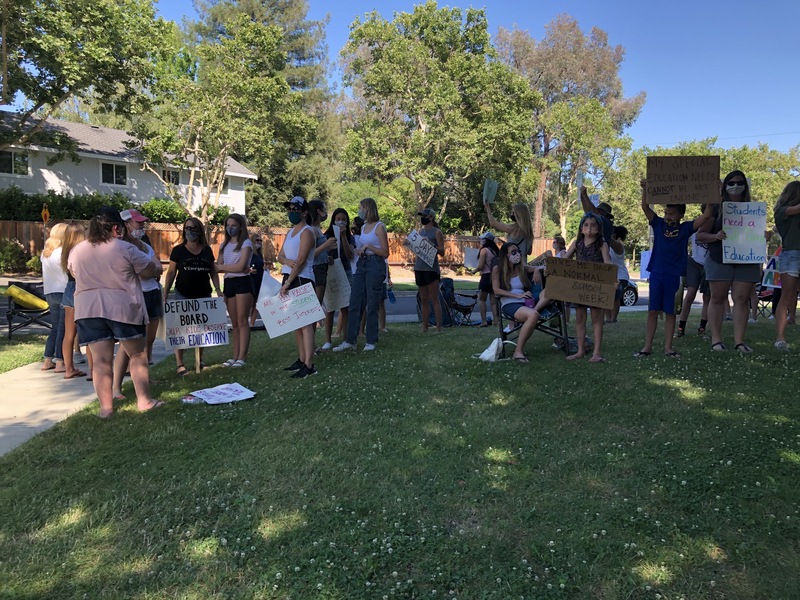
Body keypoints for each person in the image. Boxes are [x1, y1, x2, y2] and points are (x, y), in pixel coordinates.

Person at [68, 207, 164, 417]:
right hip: (123, 307)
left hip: (88, 309)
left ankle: (106, 408)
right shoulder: (124, 248)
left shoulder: (78, 250)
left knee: (101, 361)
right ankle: (144, 400)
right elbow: (149, 270)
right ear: (115, 227)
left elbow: (73, 273)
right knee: (137, 355)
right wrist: (157, 269)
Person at [635, 183, 715, 358]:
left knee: (670, 312)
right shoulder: (658, 224)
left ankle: (668, 347)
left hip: (675, 275)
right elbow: (645, 207)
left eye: (671, 214)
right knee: (653, 311)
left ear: (680, 215)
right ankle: (647, 346)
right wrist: (645, 189)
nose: (667, 216)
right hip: (657, 272)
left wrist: (710, 194)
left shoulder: (686, 228)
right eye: (665, 213)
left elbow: (707, 215)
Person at [696, 170, 764, 352]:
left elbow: (756, 235)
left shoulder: (754, 210)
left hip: (746, 260)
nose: (735, 186)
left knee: (741, 300)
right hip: (719, 259)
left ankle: (739, 342)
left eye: (739, 182)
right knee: (717, 298)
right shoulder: (716, 208)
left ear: (745, 185)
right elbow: (701, 235)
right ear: (725, 186)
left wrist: (764, 236)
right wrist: (716, 236)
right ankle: (716, 340)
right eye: (731, 183)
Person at [112, 210, 164, 399]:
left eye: (143, 223)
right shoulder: (121, 246)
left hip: (152, 294)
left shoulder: (143, 244)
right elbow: (144, 271)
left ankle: (144, 378)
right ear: (126, 224)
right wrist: (151, 268)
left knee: (147, 342)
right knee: (128, 345)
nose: (142, 227)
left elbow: (158, 267)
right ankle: (116, 388)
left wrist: (151, 268)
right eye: (138, 223)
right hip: (133, 297)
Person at [162, 217, 222, 375]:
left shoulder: (207, 250)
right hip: (183, 294)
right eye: (187, 228)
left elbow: (213, 272)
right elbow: (171, 272)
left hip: (203, 294)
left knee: (201, 328)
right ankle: (180, 364)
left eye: (193, 228)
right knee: (181, 329)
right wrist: (166, 292)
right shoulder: (178, 250)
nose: (189, 231)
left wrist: (218, 289)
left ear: (199, 230)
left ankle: (199, 361)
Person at [333, 197, 389, 352]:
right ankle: (350, 340)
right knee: (355, 301)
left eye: (361, 208)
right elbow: (360, 247)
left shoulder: (379, 227)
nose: (359, 211)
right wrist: (360, 250)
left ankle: (371, 340)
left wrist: (368, 246)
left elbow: (385, 253)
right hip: (362, 264)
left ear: (368, 209)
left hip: (375, 264)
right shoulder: (363, 227)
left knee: (372, 303)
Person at [561, 213, 611, 362]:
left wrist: (611, 275)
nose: (589, 228)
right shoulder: (577, 243)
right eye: (586, 225)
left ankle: (596, 352)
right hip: (580, 287)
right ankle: (580, 350)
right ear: (581, 228)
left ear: (599, 229)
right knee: (580, 318)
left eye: (593, 225)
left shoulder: (603, 244)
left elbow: (607, 261)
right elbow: (565, 260)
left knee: (596, 318)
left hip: (596, 286)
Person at [278, 196, 317, 377]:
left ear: (304, 212)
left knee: (306, 323)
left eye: (296, 209)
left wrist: (287, 283)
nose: (292, 212)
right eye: (290, 209)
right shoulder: (290, 232)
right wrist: (287, 261)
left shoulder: (307, 232)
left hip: (302, 279)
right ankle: (301, 359)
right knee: (296, 323)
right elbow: (281, 256)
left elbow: (301, 261)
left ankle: (309, 364)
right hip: (289, 276)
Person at [492, 242, 543, 363]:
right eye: (513, 252)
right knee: (533, 315)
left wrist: (536, 270)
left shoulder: (521, 268)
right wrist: (517, 295)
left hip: (525, 301)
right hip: (510, 303)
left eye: (518, 251)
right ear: (505, 255)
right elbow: (496, 290)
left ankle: (534, 313)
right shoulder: (497, 269)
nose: (517, 254)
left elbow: (542, 267)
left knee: (549, 292)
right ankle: (518, 351)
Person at [216, 213, 254, 367]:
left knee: (242, 320)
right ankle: (235, 355)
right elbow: (217, 267)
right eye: (228, 225)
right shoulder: (223, 245)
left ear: (240, 227)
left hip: (243, 283)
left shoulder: (246, 244)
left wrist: (225, 268)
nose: (230, 228)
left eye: (233, 225)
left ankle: (242, 357)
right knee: (234, 323)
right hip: (229, 283)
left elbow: (241, 267)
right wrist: (229, 268)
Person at [320, 208, 355, 351]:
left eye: (343, 219)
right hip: (331, 272)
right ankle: (328, 340)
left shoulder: (349, 236)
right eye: (338, 219)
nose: (341, 221)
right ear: (333, 220)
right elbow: (322, 252)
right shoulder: (327, 235)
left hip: (345, 271)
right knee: (330, 307)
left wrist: (344, 237)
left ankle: (346, 339)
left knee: (346, 306)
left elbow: (350, 255)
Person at [60, 222, 90, 380]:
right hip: (81, 289)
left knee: (69, 333)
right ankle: (93, 369)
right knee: (90, 331)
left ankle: (69, 368)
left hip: (69, 289)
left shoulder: (65, 251)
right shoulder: (82, 251)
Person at [773, 181, 800, 350]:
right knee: (787, 296)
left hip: (791, 255)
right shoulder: (782, 211)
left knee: (787, 296)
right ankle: (780, 338)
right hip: (791, 254)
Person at [410, 208, 445, 333]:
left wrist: (431, 244)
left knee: (434, 298)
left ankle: (438, 327)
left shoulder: (436, 232)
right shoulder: (419, 232)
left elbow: (442, 252)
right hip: (419, 267)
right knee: (423, 299)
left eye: (424, 216)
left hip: (431, 269)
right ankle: (424, 326)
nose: (422, 218)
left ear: (431, 217)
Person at [40, 223, 68, 372]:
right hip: (63, 291)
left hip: (49, 292)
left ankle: (47, 360)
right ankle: (60, 362)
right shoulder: (64, 252)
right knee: (63, 329)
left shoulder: (46, 253)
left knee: (55, 328)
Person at [676, 232, 711, 337]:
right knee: (690, 294)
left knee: (707, 297)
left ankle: (702, 327)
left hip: (709, 263)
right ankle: (681, 327)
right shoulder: (695, 228)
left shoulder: (714, 226)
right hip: (694, 263)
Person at [606, 226, 629, 324]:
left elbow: (610, 240)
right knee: (606, 297)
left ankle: (613, 319)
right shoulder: (606, 246)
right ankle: (608, 318)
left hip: (620, 276)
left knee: (615, 297)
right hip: (610, 275)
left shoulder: (618, 245)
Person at [476, 231, 499, 327]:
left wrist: (473, 271)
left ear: (486, 240)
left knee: (481, 299)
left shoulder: (484, 250)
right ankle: (496, 322)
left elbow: (481, 266)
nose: (480, 240)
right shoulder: (495, 250)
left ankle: (484, 321)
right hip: (494, 276)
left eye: (482, 239)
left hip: (485, 276)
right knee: (493, 302)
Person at [249, 232, 265, 328]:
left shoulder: (259, 255)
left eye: (260, 240)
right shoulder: (249, 253)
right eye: (257, 240)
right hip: (251, 280)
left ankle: (252, 323)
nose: (259, 242)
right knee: (250, 302)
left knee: (257, 303)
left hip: (260, 280)